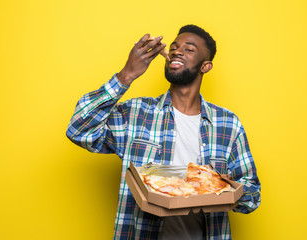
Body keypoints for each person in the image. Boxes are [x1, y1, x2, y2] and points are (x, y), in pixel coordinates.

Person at [66, 24, 261, 240]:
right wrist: (126, 75)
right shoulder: (136, 114)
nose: (177, 51)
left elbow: (252, 195)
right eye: (175, 47)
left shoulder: (228, 124)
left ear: (205, 66)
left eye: (189, 49)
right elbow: (78, 130)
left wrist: (217, 186)